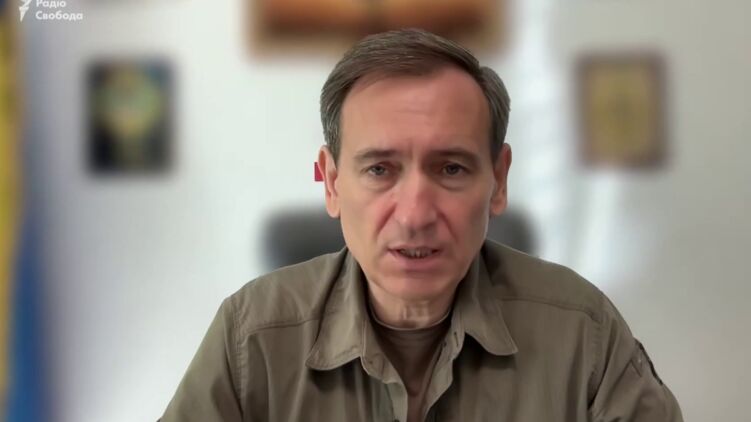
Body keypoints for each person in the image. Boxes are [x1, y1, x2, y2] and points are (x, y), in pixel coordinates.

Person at [160, 28, 683, 421]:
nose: (414, 215)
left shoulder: (582, 333)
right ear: (332, 183)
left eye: (451, 169)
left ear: (498, 180)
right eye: (379, 170)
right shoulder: (250, 338)